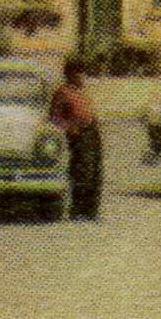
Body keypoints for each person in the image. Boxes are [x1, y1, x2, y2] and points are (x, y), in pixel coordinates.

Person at [49, 53, 104, 222]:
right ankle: (78, 210)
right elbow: (55, 117)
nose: (82, 76)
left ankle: (91, 211)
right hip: (78, 135)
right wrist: (70, 128)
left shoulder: (81, 92)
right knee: (82, 173)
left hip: (92, 133)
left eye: (83, 72)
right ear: (69, 74)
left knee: (95, 171)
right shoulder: (63, 92)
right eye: (78, 72)